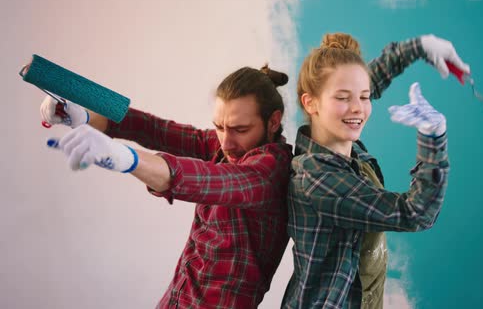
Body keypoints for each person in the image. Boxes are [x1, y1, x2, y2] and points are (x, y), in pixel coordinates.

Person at [37, 64, 293, 309]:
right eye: (219, 127)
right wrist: (82, 115)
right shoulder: (224, 147)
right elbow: (154, 128)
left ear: (273, 122)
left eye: (240, 129)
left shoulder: (270, 172)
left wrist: (127, 158)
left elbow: (203, 179)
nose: (226, 142)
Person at [281, 33, 457, 309]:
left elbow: (359, 86)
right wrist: (433, 139)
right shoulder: (318, 179)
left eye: (364, 97)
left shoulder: (339, 144)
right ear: (310, 102)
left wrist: (419, 47)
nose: (358, 108)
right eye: (343, 98)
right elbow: (417, 213)